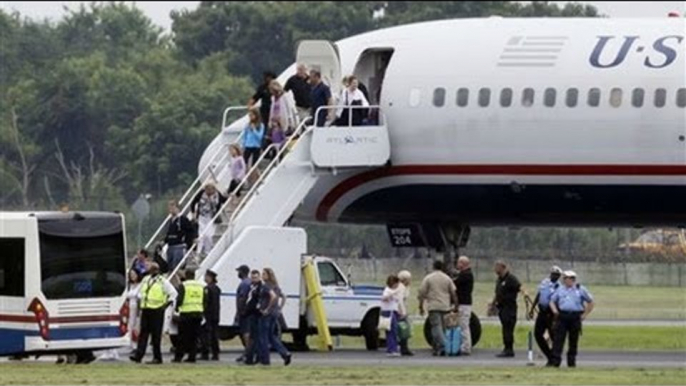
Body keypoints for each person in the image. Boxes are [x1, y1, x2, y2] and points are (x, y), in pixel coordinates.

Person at [130, 263, 177, 364]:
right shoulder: (146, 279)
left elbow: (173, 294)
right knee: (143, 334)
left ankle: (157, 357)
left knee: (156, 335)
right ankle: (139, 355)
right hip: (146, 309)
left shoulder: (163, 281)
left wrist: (164, 306)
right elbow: (140, 292)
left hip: (157, 310)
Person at [549, 271, 594, 368]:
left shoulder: (580, 289)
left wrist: (585, 314)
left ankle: (571, 362)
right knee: (558, 340)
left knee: (573, 340)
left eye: (571, 278)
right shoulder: (560, 290)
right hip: (562, 316)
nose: (569, 281)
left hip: (575, 317)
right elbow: (552, 301)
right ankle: (556, 361)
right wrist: (555, 311)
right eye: (567, 278)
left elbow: (590, 302)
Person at [417, 260, 458, 356]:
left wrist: (420, 306)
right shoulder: (447, 278)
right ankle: (437, 348)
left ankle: (444, 345)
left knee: (436, 327)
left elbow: (422, 292)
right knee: (443, 328)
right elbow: (453, 292)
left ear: (433, 267)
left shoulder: (428, 278)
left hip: (433, 305)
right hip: (445, 306)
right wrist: (456, 305)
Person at [530, 265, 563, 365]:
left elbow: (558, 301)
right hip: (542, 312)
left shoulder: (559, 287)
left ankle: (555, 358)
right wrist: (532, 308)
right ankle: (549, 356)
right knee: (537, 334)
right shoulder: (544, 282)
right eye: (553, 274)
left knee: (553, 336)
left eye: (557, 275)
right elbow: (539, 294)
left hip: (551, 313)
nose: (554, 276)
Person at [259, 268, 292, 366]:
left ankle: (265, 360)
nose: (262, 275)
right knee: (272, 336)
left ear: (268, 276)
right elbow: (283, 297)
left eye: (264, 274)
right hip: (275, 313)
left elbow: (273, 296)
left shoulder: (266, 286)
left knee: (263, 336)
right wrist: (279, 308)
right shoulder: (276, 286)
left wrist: (267, 309)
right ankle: (285, 353)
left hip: (267, 314)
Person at [489, 260, 522, 358]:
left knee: (508, 328)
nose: (495, 270)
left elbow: (520, 287)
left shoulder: (511, 279)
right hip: (502, 307)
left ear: (503, 268)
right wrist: (492, 304)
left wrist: (525, 295)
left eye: (497, 267)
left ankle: (509, 349)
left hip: (510, 307)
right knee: (505, 328)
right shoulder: (499, 279)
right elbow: (497, 293)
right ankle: (506, 347)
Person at [173, 269, 205, 363]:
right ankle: (192, 356)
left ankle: (178, 356)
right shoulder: (201, 286)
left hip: (186, 313)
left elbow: (180, 299)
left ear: (186, 276)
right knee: (194, 337)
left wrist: (177, 309)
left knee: (182, 337)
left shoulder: (184, 285)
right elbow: (205, 299)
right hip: (198, 313)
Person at [191, 183, 227, 257]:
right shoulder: (201, 193)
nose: (209, 191)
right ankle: (199, 252)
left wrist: (230, 196)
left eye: (211, 189)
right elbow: (193, 202)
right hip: (201, 216)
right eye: (207, 189)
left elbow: (223, 200)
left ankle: (208, 250)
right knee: (201, 234)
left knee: (209, 235)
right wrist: (194, 212)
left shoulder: (217, 195)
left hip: (212, 217)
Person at [164, 200, 195, 274]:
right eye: (170, 207)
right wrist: (165, 240)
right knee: (170, 267)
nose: (171, 209)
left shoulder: (182, 219)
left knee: (176, 267)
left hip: (179, 246)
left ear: (177, 208)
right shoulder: (171, 221)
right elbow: (169, 233)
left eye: (173, 207)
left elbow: (190, 230)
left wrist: (188, 243)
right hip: (171, 246)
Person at [453, 255, 474, 355]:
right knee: (463, 325)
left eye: (458, 263)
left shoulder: (466, 275)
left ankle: (466, 347)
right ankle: (464, 345)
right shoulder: (464, 274)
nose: (457, 265)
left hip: (464, 304)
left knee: (464, 326)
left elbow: (455, 283)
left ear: (463, 264)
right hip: (464, 303)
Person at [243, 270, 264, 365]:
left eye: (255, 277)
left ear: (259, 277)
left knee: (254, 338)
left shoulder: (260, 288)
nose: (253, 279)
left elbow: (259, 301)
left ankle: (251, 358)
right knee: (252, 337)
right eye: (252, 277)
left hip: (256, 314)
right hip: (250, 314)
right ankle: (251, 357)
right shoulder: (251, 287)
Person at [200, 269, 221, 361]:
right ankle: (215, 353)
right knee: (214, 335)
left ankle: (205, 354)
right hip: (215, 315)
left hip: (208, 315)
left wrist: (203, 313)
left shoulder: (208, 289)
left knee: (206, 335)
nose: (205, 278)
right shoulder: (217, 288)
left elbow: (206, 303)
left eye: (206, 277)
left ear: (210, 278)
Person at [381, 274, 403, 357]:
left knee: (393, 331)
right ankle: (391, 349)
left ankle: (393, 348)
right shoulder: (388, 290)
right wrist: (392, 294)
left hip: (393, 311)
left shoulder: (393, 291)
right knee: (391, 331)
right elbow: (384, 298)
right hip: (388, 312)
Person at [234, 265, 252, 363]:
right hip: (245, 312)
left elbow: (242, 298)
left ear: (242, 272)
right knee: (245, 334)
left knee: (246, 334)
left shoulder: (245, 284)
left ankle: (248, 353)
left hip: (244, 313)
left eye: (239, 271)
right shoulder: (247, 282)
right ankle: (247, 353)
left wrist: (240, 312)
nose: (238, 273)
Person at [127, 270, 143, 354]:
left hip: (137, 307)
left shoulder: (141, 285)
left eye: (134, 274)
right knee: (130, 327)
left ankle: (138, 346)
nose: (132, 276)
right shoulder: (129, 285)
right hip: (129, 308)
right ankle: (132, 345)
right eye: (130, 275)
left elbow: (141, 296)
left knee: (137, 327)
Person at [397, 270, 413, 356]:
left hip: (404, 309)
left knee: (405, 329)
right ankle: (404, 348)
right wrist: (403, 312)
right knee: (404, 330)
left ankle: (404, 347)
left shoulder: (404, 287)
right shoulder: (401, 288)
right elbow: (400, 301)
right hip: (401, 311)